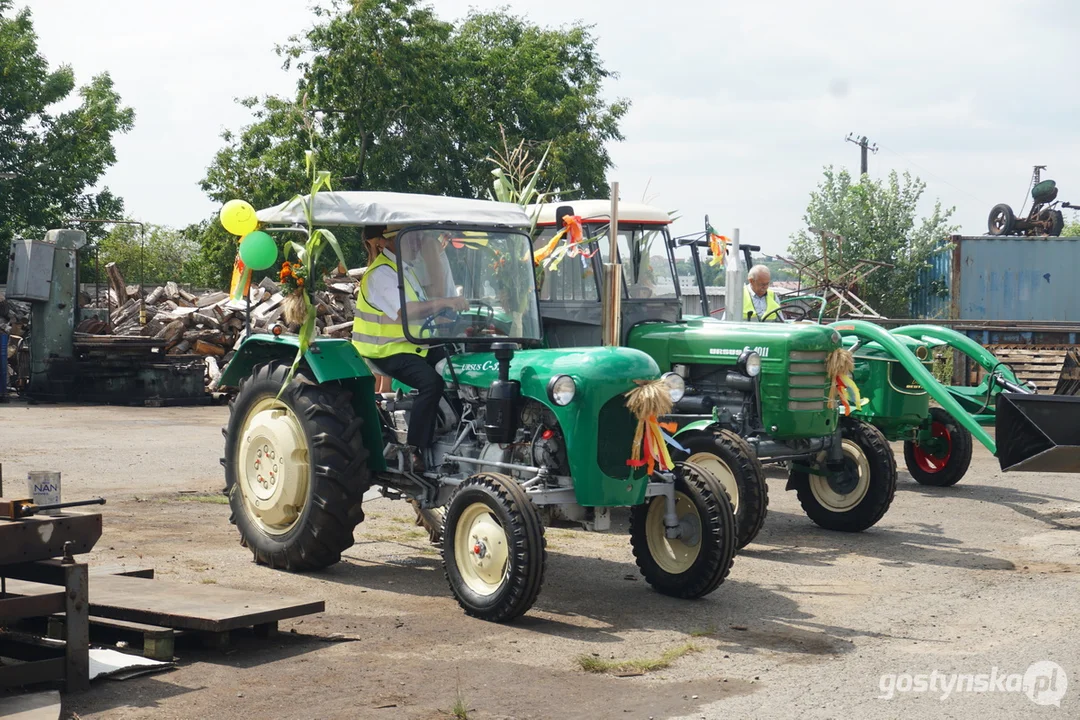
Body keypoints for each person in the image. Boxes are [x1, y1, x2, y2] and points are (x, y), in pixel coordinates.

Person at [352, 225, 468, 471]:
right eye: (410, 240)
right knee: (430, 382)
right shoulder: (381, 274)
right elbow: (406, 312)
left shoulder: (404, 269)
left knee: (459, 366)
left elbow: (422, 308)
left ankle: (464, 432)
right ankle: (416, 449)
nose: (417, 245)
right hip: (386, 350)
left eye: (417, 239)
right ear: (389, 242)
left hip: (411, 345)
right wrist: (444, 302)